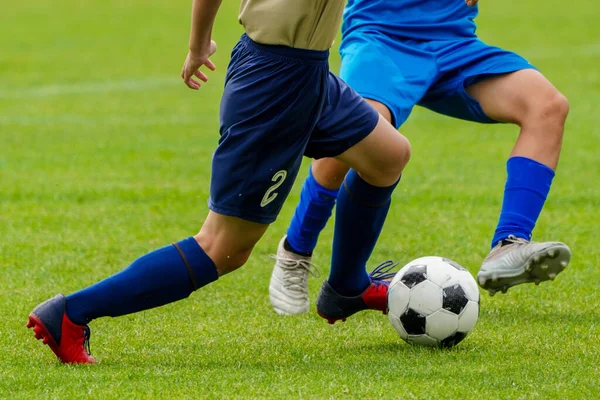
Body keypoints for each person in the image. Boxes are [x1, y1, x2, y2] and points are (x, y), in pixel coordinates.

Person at [26, 0, 411, 364]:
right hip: (274, 82)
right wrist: (198, 45)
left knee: (388, 155)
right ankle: (71, 314)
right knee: (222, 247)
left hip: (309, 72)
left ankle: (346, 287)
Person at [269, 0, 572, 316]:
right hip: (381, 38)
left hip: (454, 40)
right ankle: (296, 251)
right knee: (353, 139)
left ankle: (510, 243)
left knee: (547, 106)